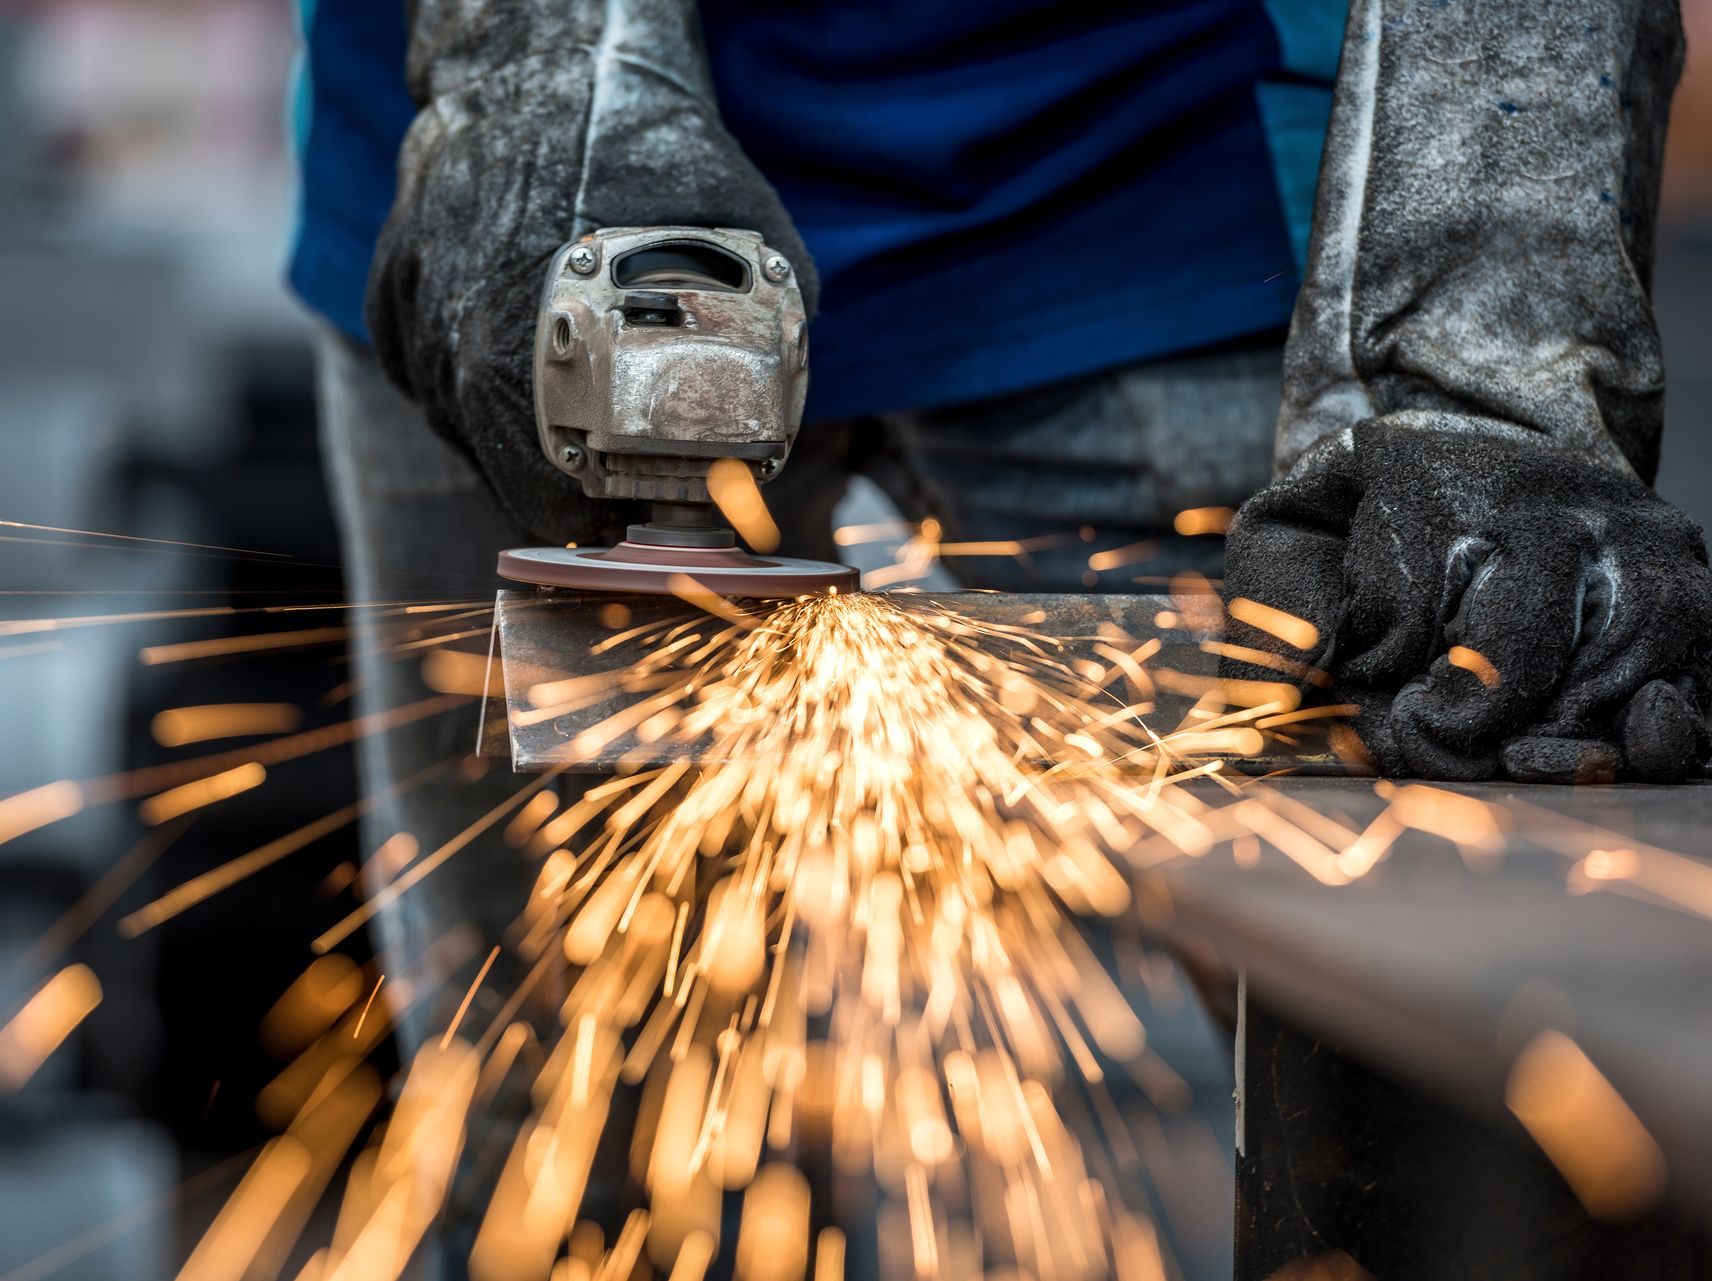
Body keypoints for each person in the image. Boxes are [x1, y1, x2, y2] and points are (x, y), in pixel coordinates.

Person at [289, 0, 1706, 1271]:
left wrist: (1490, 353)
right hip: (517, 211)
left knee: (1174, 1146)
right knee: (562, 1130)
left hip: (1128, 155)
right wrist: (531, 70)